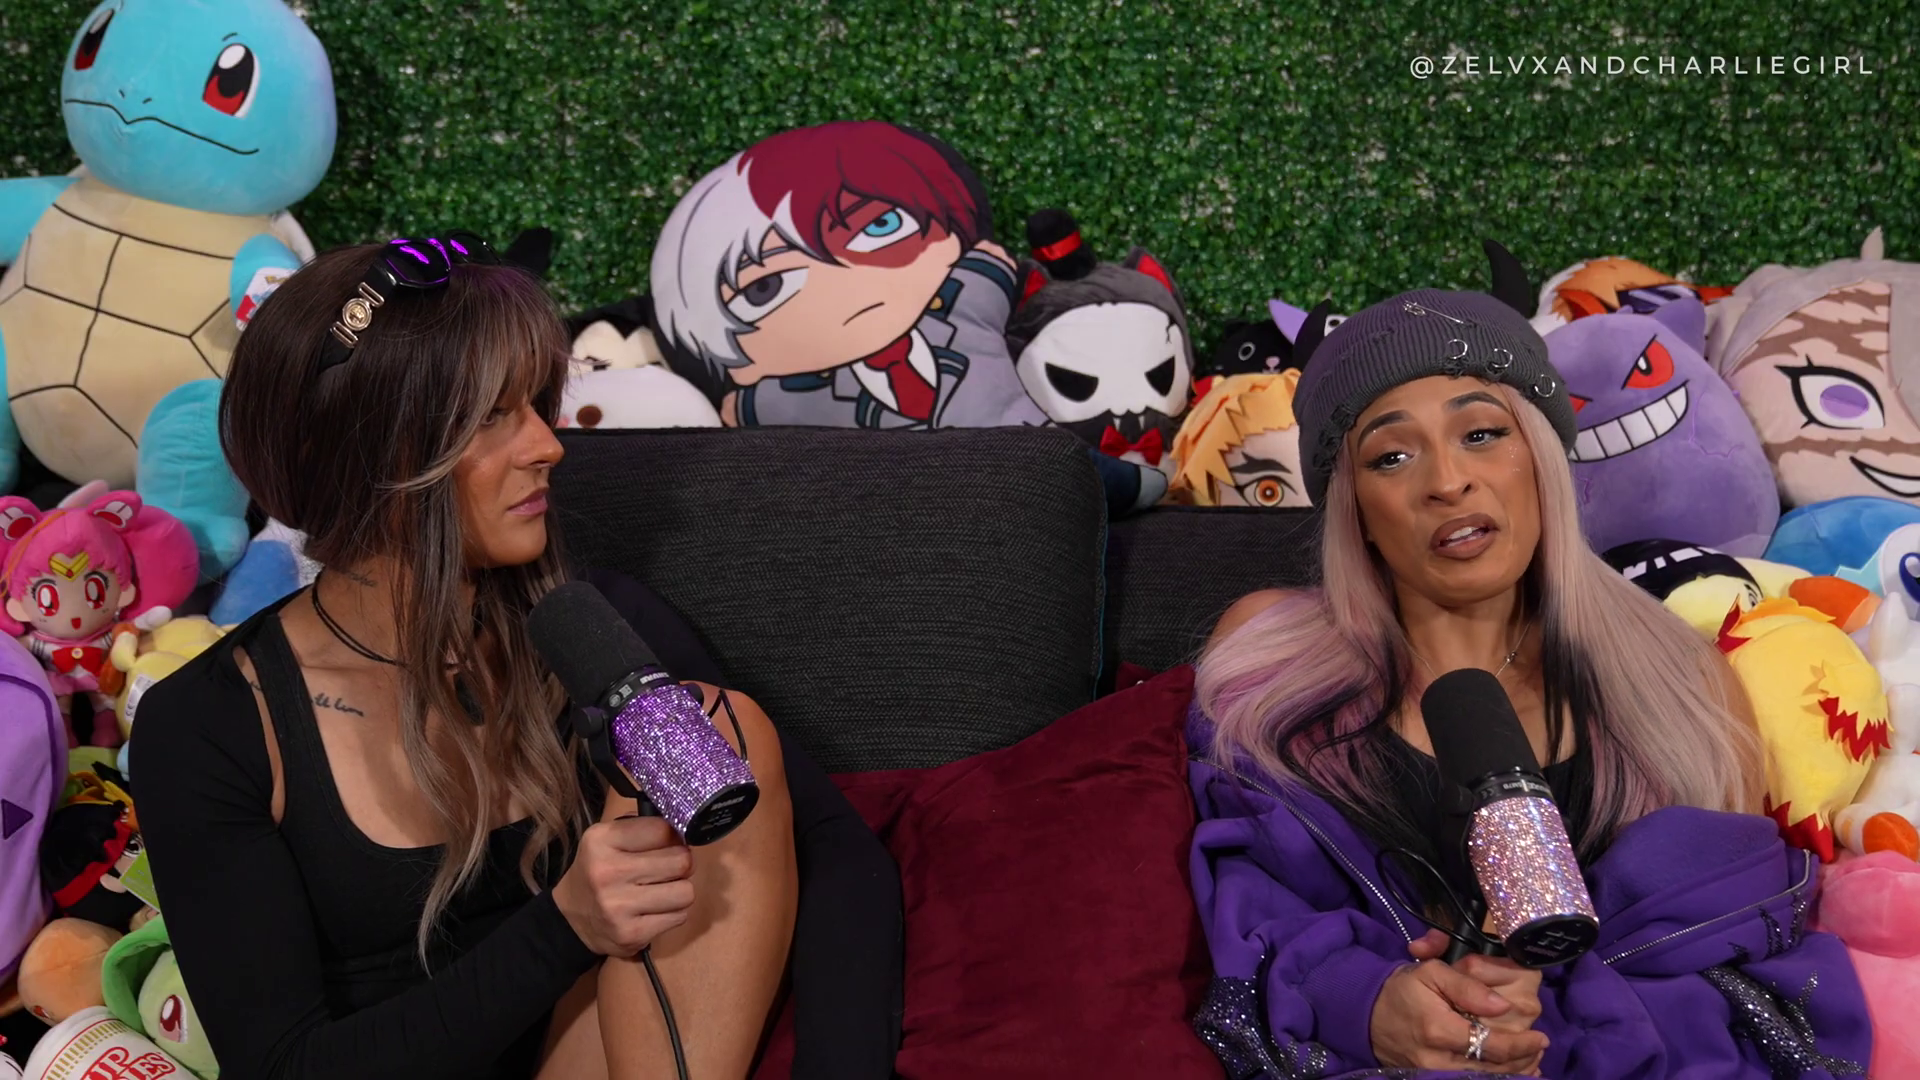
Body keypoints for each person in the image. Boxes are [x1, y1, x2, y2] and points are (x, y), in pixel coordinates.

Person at [131, 235, 902, 1080]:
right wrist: (563, 928)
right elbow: (284, 1068)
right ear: (369, 457)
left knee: (722, 728)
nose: (548, 445)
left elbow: (836, 850)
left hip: (613, 1055)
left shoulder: (595, 631)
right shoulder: (208, 724)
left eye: (534, 403)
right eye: (491, 416)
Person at [1184, 287, 1873, 1077]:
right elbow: (1235, 894)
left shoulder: (1683, 684)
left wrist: (1556, 1012)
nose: (1448, 482)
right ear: (1357, 511)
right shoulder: (1269, 661)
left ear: (1541, 459)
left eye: (1482, 434)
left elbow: (1738, 946)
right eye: (1392, 456)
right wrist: (1363, 1001)